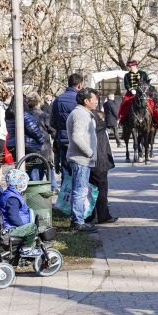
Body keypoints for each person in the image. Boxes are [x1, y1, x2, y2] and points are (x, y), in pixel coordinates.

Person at [66, 87, 99, 233]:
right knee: (80, 191)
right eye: (94, 99)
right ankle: (78, 223)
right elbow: (77, 137)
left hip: (81, 159)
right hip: (81, 159)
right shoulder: (80, 114)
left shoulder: (82, 113)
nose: (97, 102)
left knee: (78, 190)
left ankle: (77, 220)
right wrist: (90, 153)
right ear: (86, 101)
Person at [0, 168, 41, 255]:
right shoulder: (12, 198)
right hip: (10, 229)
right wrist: (24, 226)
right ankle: (26, 249)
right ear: (19, 184)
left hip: (9, 227)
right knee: (32, 228)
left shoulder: (9, 193)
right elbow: (13, 217)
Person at [86, 106, 117, 225]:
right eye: (94, 99)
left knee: (92, 187)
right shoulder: (93, 118)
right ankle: (102, 215)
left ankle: (91, 215)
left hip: (96, 159)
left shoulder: (90, 116)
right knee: (101, 187)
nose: (95, 102)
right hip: (99, 159)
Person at [51, 73, 85, 177]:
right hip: (78, 141)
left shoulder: (58, 100)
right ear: (79, 85)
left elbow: (52, 122)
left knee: (66, 174)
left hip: (62, 140)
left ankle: (65, 192)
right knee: (78, 175)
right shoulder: (80, 99)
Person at [4, 92, 48, 172]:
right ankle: (33, 184)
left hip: (11, 144)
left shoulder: (8, 114)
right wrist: (41, 140)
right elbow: (33, 130)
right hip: (27, 145)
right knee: (32, 169)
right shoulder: (24, 115)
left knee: (20, 167)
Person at [117, 60, 158, 132]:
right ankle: (122, 120)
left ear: (135, 66)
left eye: (131, 66)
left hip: (143, 93)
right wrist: (130, 89)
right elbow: (126, 84)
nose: (130, 68)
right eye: (129, 67)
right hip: (131, 94)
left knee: (154, 105)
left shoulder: (143, 73)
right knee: (123, 104)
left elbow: (147, 83)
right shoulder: (127, 75)